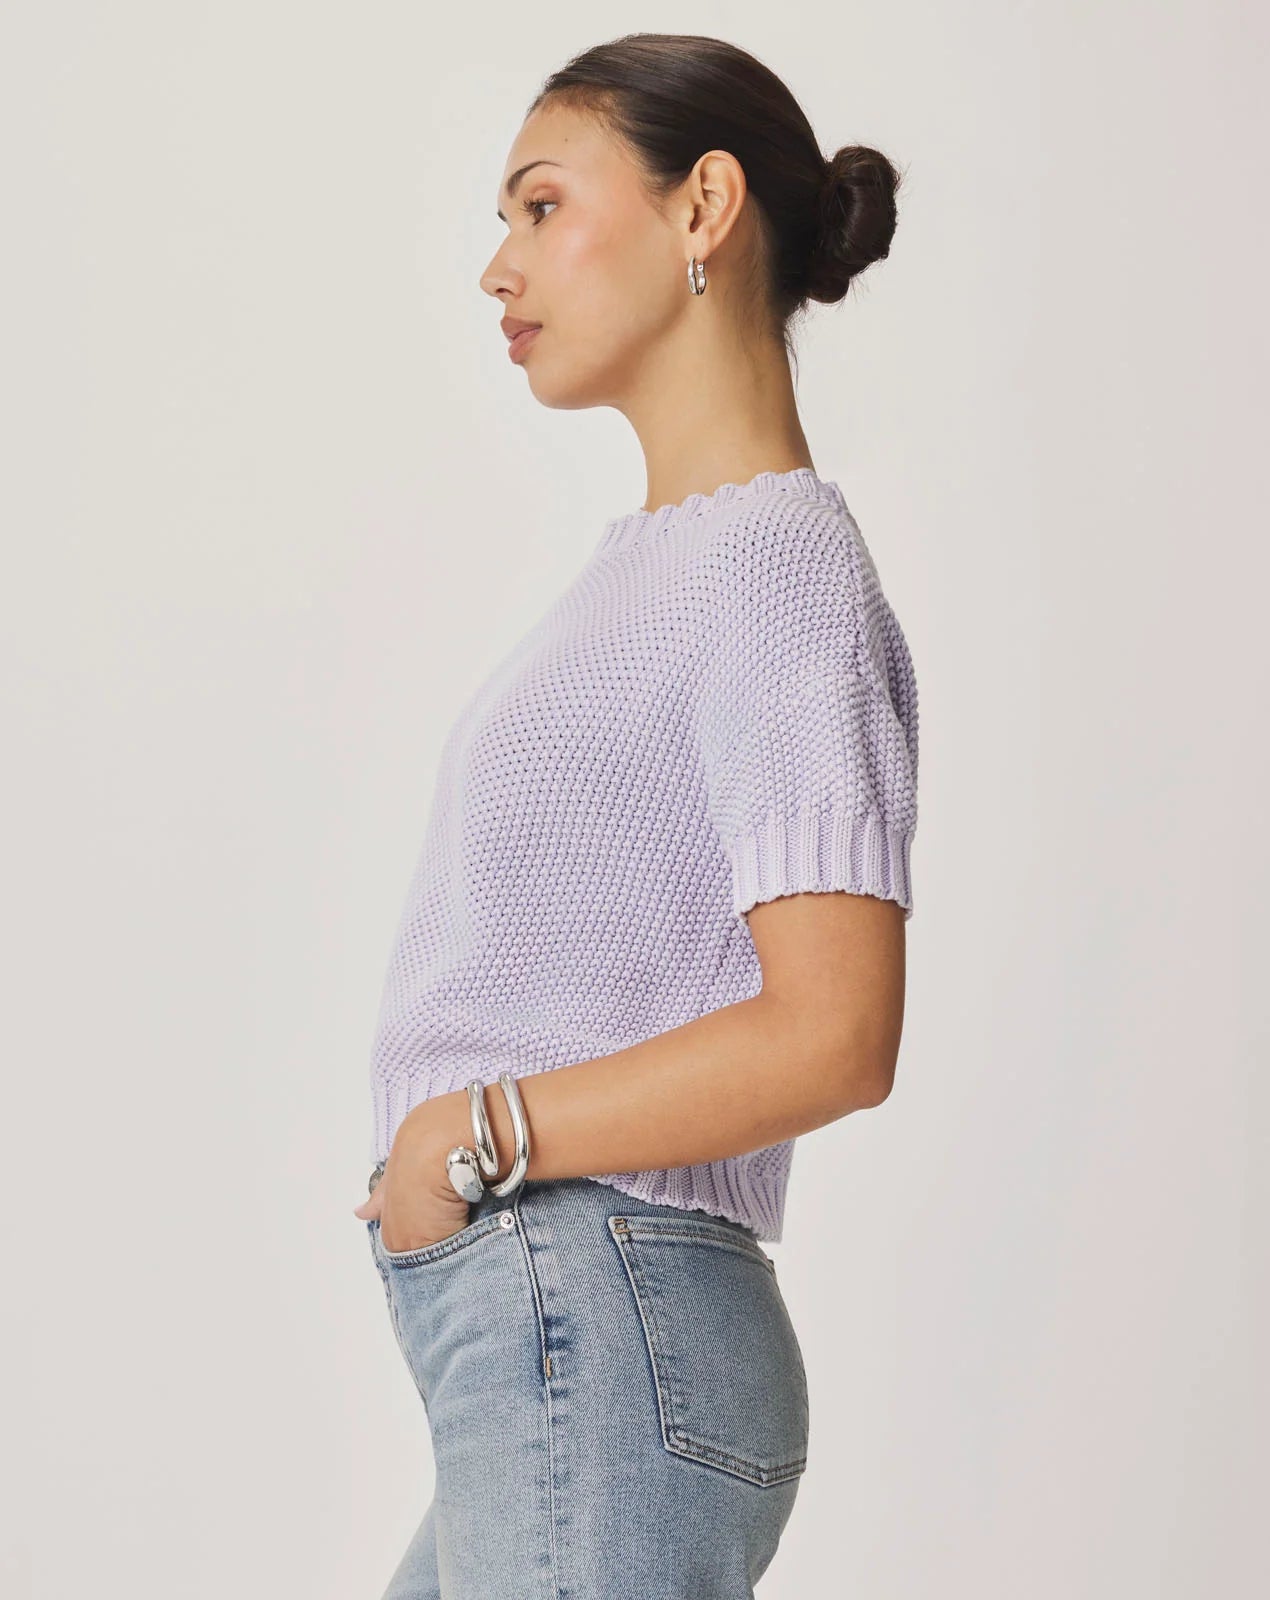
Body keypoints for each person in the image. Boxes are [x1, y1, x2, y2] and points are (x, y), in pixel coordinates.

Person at [352, 31, 918, 1600]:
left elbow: (836, 1033)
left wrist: (479, 1131)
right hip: (554, 1323)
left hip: (595, 1309)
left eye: (539, 206)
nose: (497, 268)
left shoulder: (774, 568)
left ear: (702, 208)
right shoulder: (671, 569)